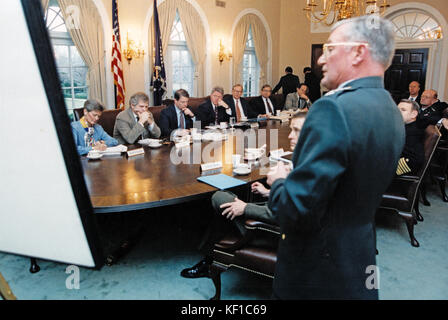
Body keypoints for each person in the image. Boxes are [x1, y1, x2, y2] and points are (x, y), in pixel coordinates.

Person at [266, 16, 405, 300]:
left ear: (358, 52)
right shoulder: (390, 108)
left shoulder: (332, 110)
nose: (320, 60)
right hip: (359, 255)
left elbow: (295, 210)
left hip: (317, 270)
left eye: (330, 49)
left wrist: (280, 181)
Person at [180, 113, 307, 279]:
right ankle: (211, 256)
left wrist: (246, 207)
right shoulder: (310, 160)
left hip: (270, 230)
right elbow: (295, 200)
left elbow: (284, 212)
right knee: (232, 201)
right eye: (291, 130)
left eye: (296, 131)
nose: (290, 135)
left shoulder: (308, 168)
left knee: (220, 198)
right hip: (277, 216)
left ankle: (210, 258)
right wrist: (268, 192)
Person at [396, 99, 425, 176]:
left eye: (403, 110)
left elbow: (414, 160)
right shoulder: (404, 127)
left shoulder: (412, 133)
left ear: (413, 114)